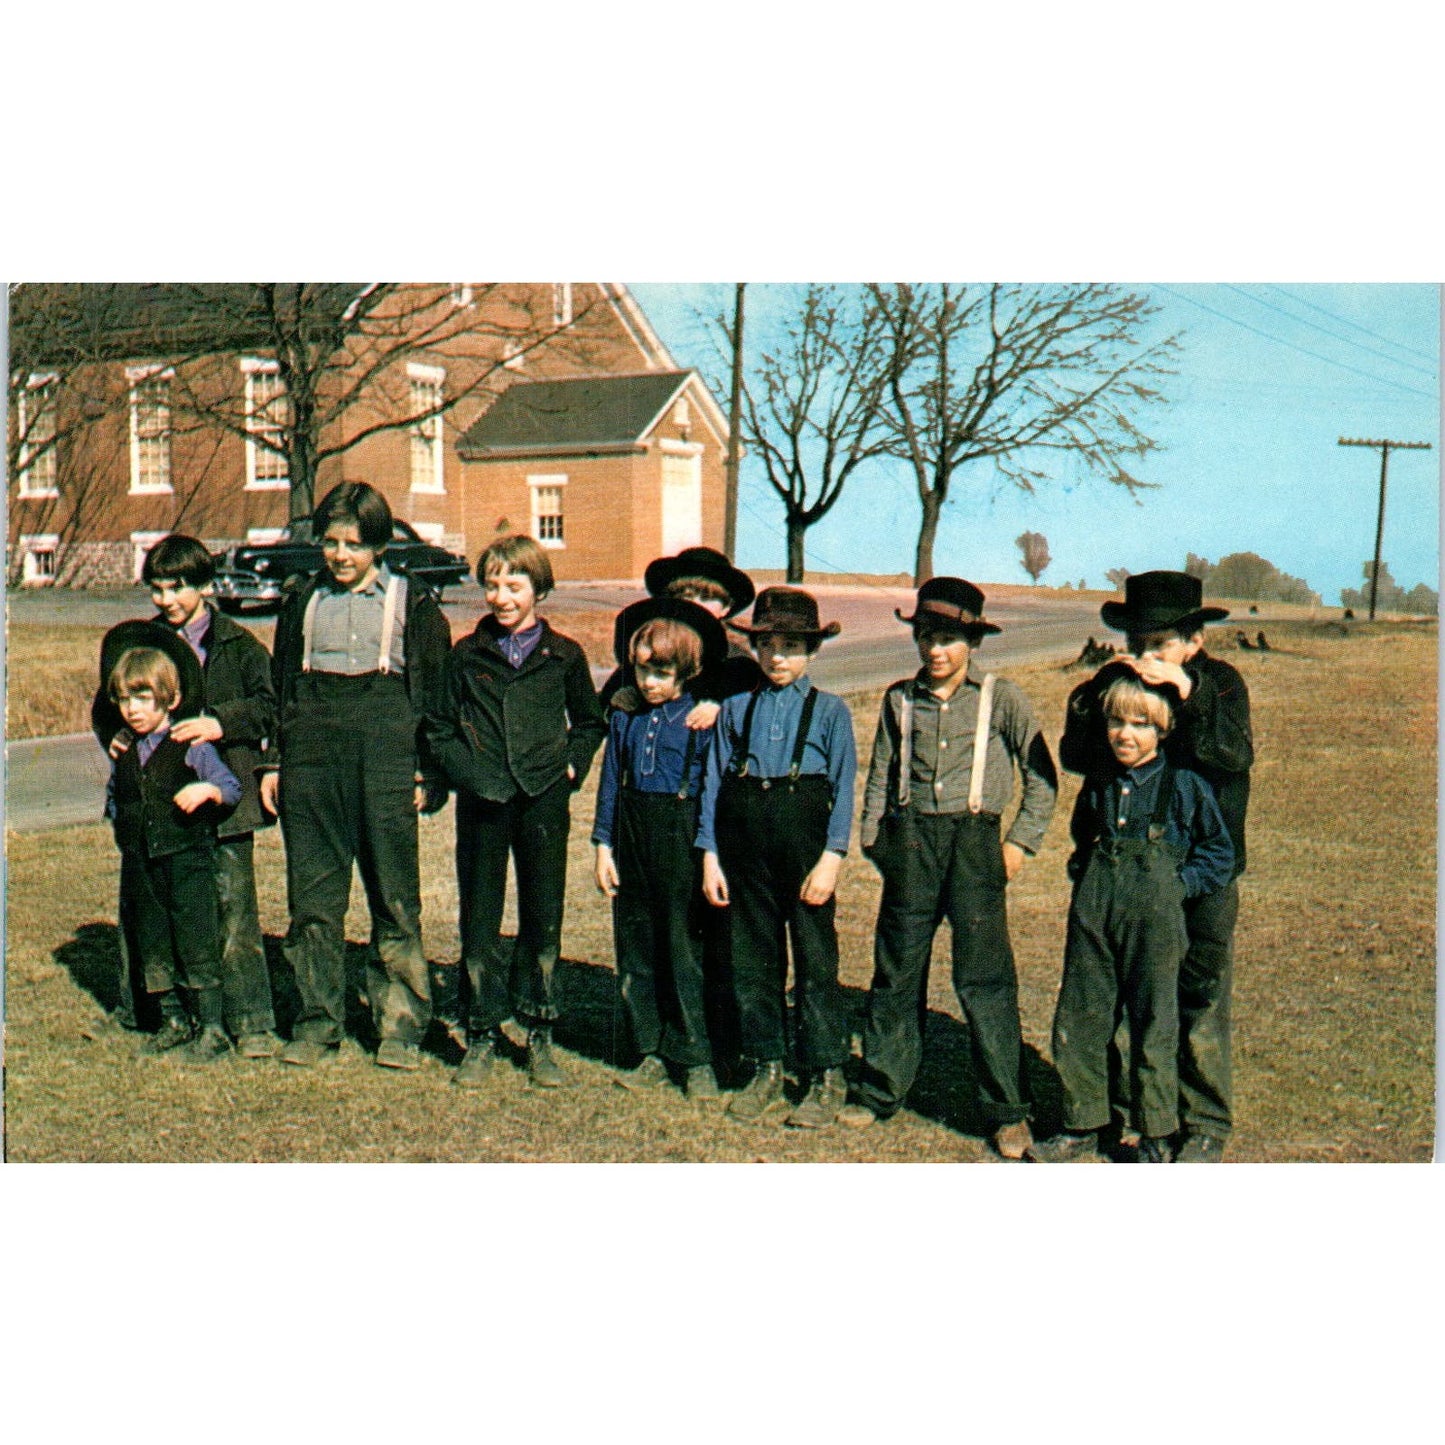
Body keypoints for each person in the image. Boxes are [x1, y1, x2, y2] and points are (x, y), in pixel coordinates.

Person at [838, 578, 1058, 1159]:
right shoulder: (898, 700)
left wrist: (1017, 847)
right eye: (927, 637)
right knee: (896, 972)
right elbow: (883, 775)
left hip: (976, 844)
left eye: (951, 639)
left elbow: (1043, 780)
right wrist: (875, 841)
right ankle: (881, 1088)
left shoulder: (1002, 698)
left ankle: (1007, 1110)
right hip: (912, 845)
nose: (937, 650)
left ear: (974, 643)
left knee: (984, 980)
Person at [1059, 570, 1253, 1161]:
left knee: (1196, 994)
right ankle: (1107, 1115)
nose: (1147, 655)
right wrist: (1108, 705)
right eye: (1137, 641)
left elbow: (1232, 755)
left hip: (1204, 867)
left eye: (1161, 643)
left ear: (1194, 641)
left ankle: (1203, 1122)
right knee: (1117, 997)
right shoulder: (1114, 683)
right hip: (1125, 869)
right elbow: (1079, 756)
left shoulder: (1221, 685)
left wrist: (1185, 695)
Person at [260, 481, 452, 1071]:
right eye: (330, 542)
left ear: (380, 546)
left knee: (393, 896)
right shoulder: (301, 601)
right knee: (313, 900)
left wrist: (428, 768)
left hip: (385, 756)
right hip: (312, 759)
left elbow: (435, 694)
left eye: (354, 544)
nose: (340, 555)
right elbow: (281, 688)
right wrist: (274, 762)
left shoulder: (412, 602)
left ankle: (399, 1026)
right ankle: (317, 1022)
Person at [1030, 672, 1234, 1162]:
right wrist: (1086, 876)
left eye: (1141, 724)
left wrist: (1180, 886)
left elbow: (1219, 852)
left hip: (1157, 916)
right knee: (1081, 1014)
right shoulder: (1101, 783)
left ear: (1163, 730)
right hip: (1096, 910)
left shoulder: (1185, 786)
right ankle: (1083, 1122)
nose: (1125, 734)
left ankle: (1157, 1131)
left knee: (1154, 1020)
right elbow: (1083, 836)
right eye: (1117, 722)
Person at [428, 534, 607, 1090]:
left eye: (515, 585)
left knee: (541, 918)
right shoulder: (466, 655)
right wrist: (472, 776)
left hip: (543, 801)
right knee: (479, 920)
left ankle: (538, 1031)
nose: (502, 597)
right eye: (492, 585)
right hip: (483, 802)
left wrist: (572, 766)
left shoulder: (565, 656)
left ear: (539, 589)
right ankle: (480, 1031)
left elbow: (591, 722)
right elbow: (439, 729)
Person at [91, 535, 281, 1057]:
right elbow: (108, 702)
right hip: (160, 810)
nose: (167, 600)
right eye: (157, 589)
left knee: (231, 907)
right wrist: (111, 732)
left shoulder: (239, 645)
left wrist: (221, 723)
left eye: (178, 588)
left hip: (223, 797)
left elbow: (270, 707)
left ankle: (250, 1020)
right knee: (149, 912)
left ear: (206, 586)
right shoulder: (141, 642)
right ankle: (148, 1013)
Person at [696, 587, 857, 1128]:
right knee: (754, 961)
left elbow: (844, 791)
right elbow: (713, 784)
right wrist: (710, 855)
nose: (778, 656)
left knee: (815, 963)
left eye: (791, 645)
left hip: (805, 846)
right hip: (744, 847)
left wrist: (832, 857)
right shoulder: (735, 710)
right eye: (767, 645)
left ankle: (825, 1072)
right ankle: (765, 1064)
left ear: (812, 651)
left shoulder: (831, 711)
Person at [592, 598, 728, 1100]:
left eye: (662, 672)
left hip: (680, 836)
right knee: (637, 948)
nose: (650, 682)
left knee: (682, 949)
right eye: (643, 670)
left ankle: (694, 1056)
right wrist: (604, 845)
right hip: (632, 834)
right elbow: (610, 782)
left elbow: (710, 790)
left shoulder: (698, 719)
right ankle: (647, 1048)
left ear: (686, 671)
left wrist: (706, 849)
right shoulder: (625, 718)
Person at [103, 645, 242, 1064]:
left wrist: (207, 790)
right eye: (125, 700)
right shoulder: (124, 751)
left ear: (170, 700)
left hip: (187, 862)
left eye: (143, 699)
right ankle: (173, 1020)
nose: (132, 710)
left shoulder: (190, 746)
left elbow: (230, 788)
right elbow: (115, 798)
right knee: (153, 938)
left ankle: (213, 1029)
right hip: (143, 865)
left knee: (196, 939)